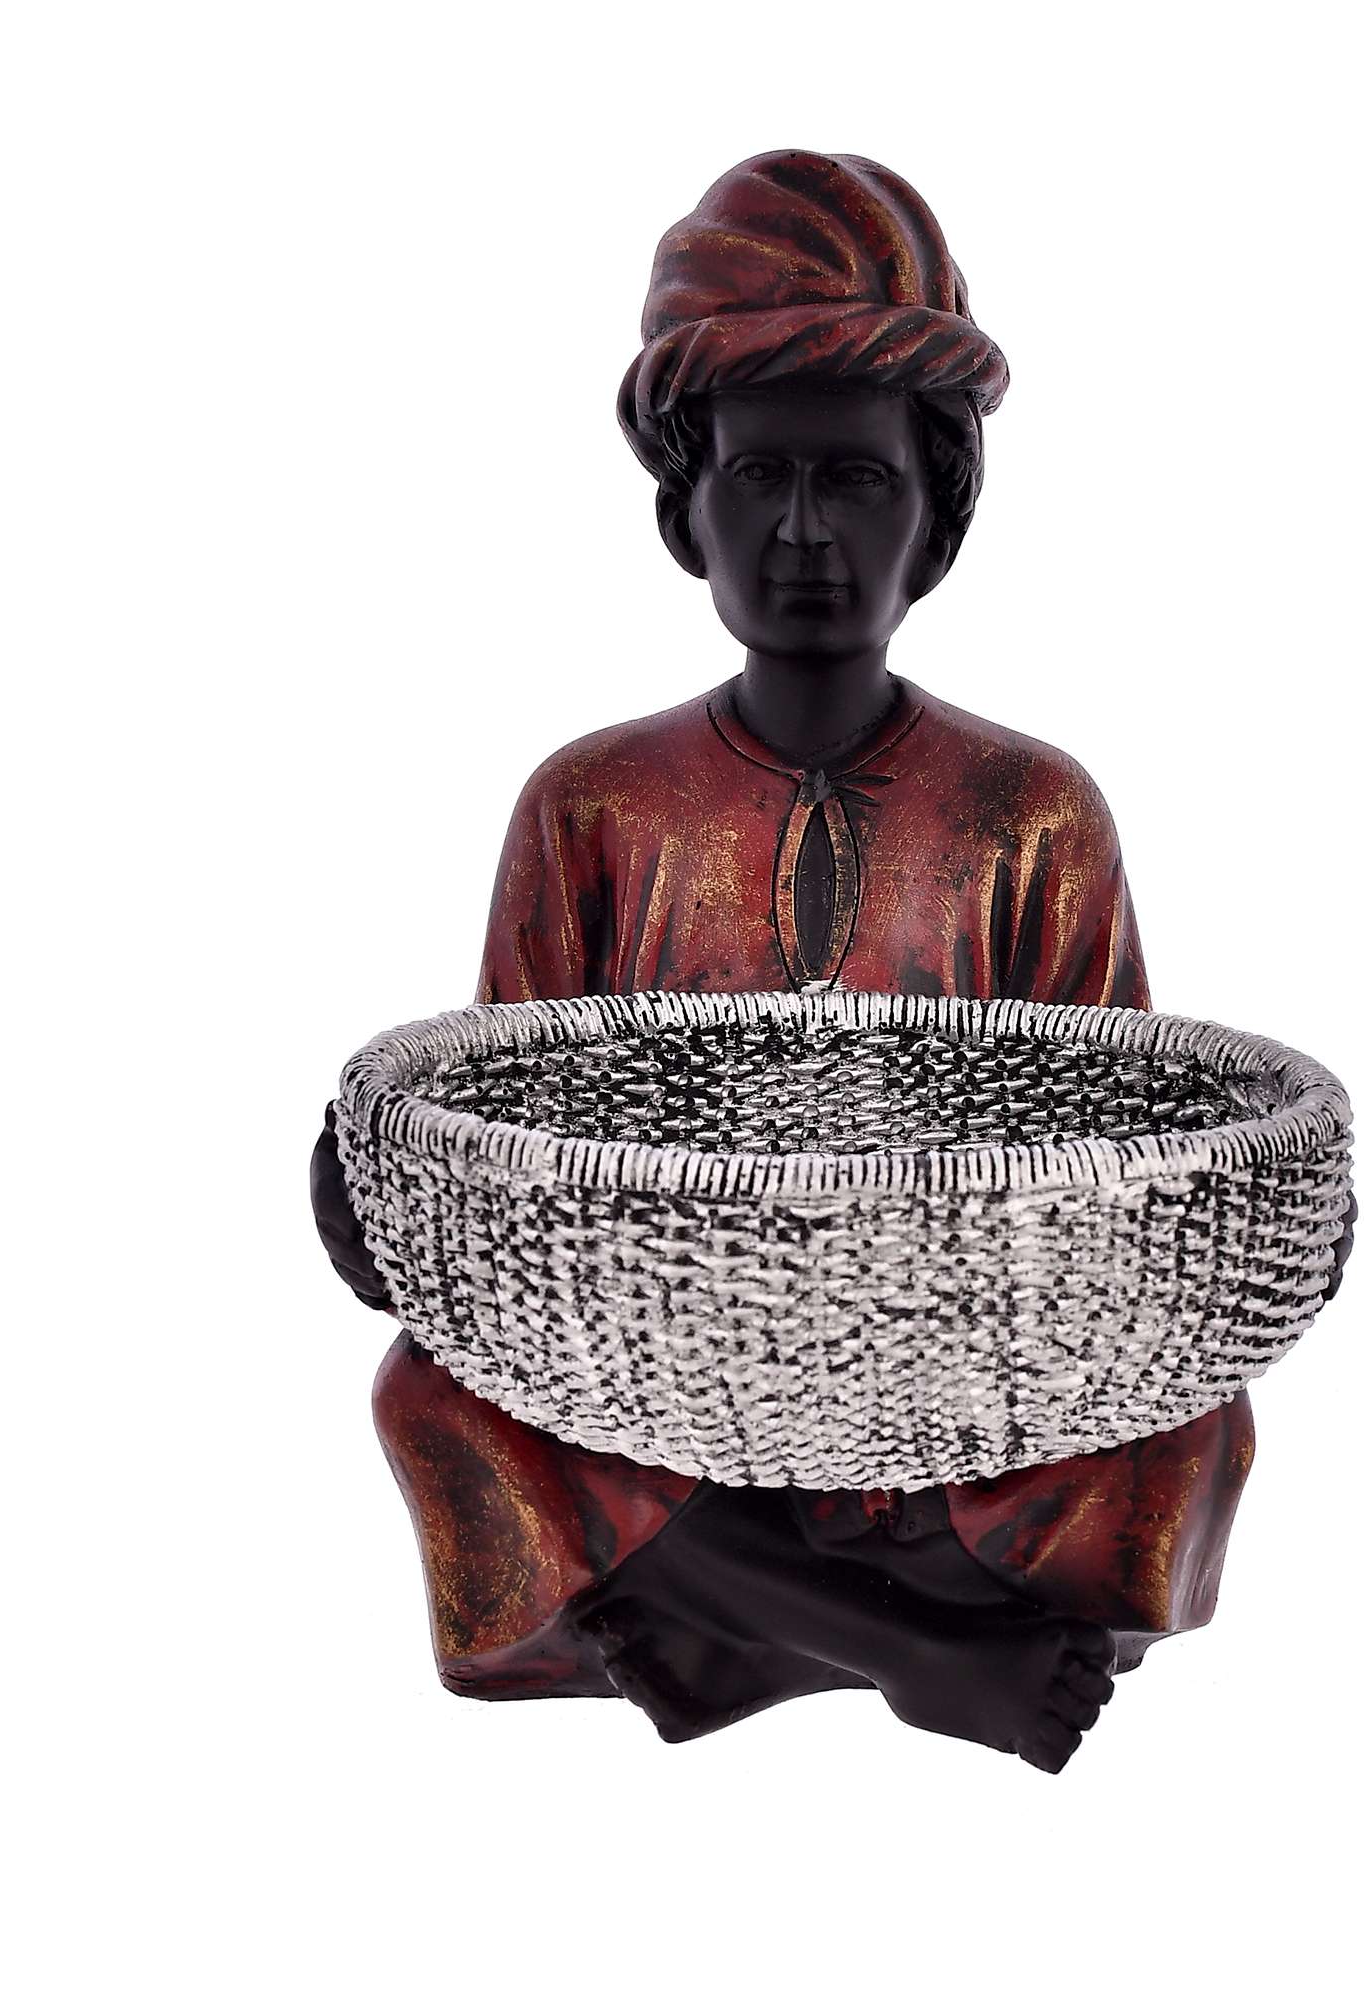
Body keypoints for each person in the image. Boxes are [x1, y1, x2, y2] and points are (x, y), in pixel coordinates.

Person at [314, 152, 1273, 1772]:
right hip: (652, 1371)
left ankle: (731, 1621)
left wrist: (1200, 1240)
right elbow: (504, 1125)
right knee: (440, 1391)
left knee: (1190, 1411)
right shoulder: (593, 804)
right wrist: (382, 1195)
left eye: (859, 480)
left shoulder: (1031, 812)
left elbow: (1119, 1135)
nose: (807, 533)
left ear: (938, 511)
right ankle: (914, 1647)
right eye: (760, 477)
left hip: (968, 1372)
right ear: (685, 508)